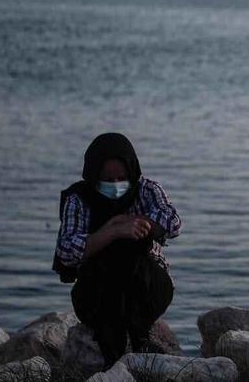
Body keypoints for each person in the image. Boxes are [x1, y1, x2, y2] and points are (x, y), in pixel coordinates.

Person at [53, 133, 182, 367]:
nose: (115, 186)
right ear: (93, 176)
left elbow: (173, 221)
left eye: (121, 178)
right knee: (112, 252)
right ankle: (113, 348)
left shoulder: (146, 190)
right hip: (96, 295)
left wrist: (135, 225)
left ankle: (138, 337)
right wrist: (111, 231)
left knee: (131, 250)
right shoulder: (79, 199)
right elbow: (65, 250)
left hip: (148, 289)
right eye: (107, 180)